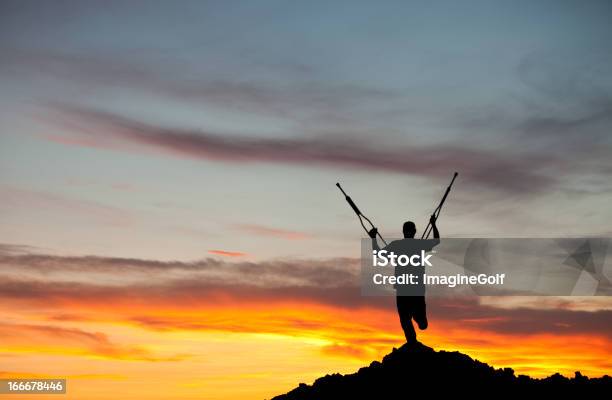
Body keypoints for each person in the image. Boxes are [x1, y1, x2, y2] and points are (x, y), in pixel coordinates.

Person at [369, 215, 440, 344]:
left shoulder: (398, 245)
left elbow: (377, 254)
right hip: (415, 287)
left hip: (404, 287)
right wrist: (433, 224)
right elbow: (436, 240)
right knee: (415, 321)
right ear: (414, 231)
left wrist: (373, 238)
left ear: (404, 231)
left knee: (405, 318)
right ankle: (413, 340)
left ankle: (413, 337)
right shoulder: (418, 244)